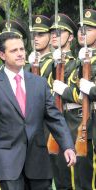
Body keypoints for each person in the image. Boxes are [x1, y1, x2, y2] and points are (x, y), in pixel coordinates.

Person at [0, 32, 76, 190]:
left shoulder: (39, 83)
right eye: (14, 50)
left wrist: (68, 146)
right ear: (2, 54)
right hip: (7, 165)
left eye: (22, 49)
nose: (20, 53)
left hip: (38, 163)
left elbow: (54, 118)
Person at [49, 13, 81, 190]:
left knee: (75, 179)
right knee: (59, 178)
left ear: (70, 37)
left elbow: (83, 94)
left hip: (73, 123)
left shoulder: (75, 64)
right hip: (54, 125)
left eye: (60, 32)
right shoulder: (49, 63)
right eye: (52, 31)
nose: (54, 34)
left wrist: (66, 91)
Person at [77, 9, 96, 190]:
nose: (83, 32)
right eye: (81, 29)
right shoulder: (80, 59)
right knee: (84, 176)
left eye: (89, 29)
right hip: (88, 122)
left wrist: (93, 90)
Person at [28, 15, 54, 84]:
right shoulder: (26, 64)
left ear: (51, 38)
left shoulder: (53, 64)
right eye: (34, 35)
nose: (35, 38)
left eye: (40, 35)